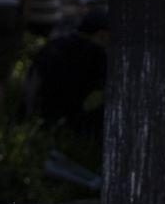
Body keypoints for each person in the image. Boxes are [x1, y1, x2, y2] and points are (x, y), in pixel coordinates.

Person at [24, 7, 109, 135]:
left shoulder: (55, 44)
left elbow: (32, 81)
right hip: (70, 124)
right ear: (102, 34)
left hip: (39, 118)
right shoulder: (97, 56)